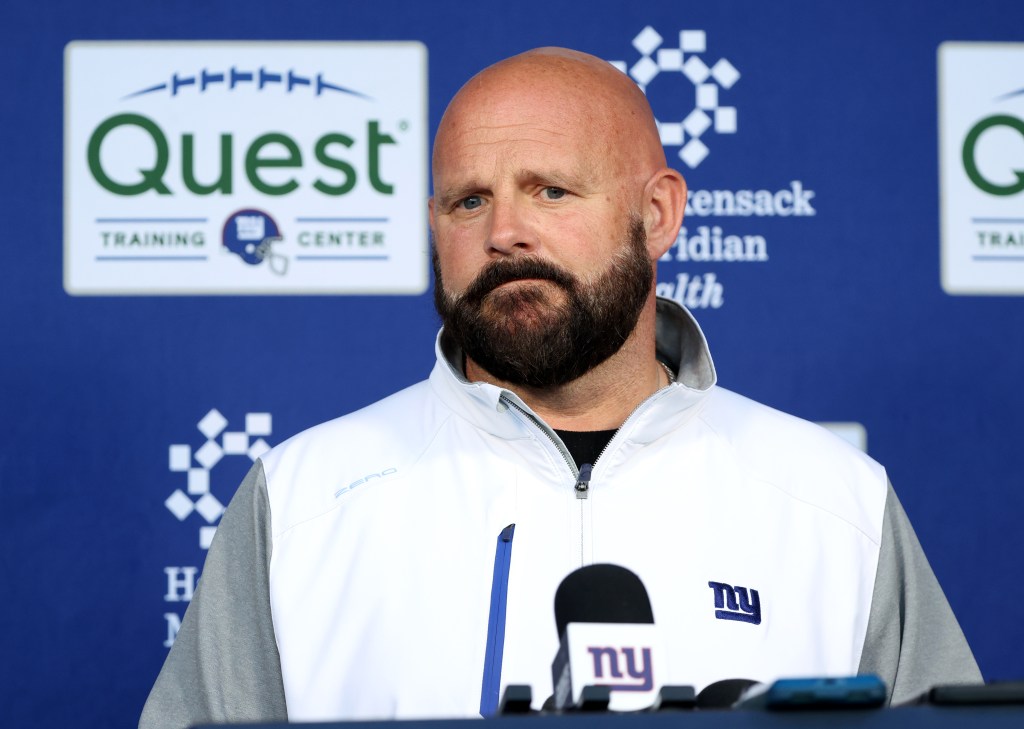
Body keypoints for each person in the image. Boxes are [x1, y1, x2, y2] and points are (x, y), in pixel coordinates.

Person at [140, 47, 981, 728]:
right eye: (470, 201)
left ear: (657, 216)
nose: (505, 232)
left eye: (550, 190)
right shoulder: (302, 496)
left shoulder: (834, 496)